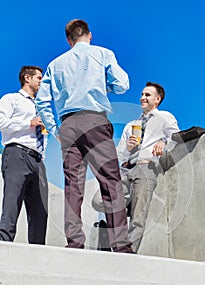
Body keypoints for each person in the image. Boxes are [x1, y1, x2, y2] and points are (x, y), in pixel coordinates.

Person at [35, 19, 133, 253]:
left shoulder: (55, 64)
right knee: (111, 181)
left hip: (68, 125)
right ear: (89, 35)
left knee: (73, 185)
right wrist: (103, 87)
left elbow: (41, 100)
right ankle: (120, 244)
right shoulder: (103, 53)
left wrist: (55, 128)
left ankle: (75, 242)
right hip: (95, 120)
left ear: (69, 40)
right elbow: (123, 85)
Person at [92, 82, 180, 253]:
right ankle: (116, 221)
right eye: (142, 94)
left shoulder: (165, 117)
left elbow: (176, 138)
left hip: (146, 168)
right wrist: (128, 148)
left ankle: (127, 252)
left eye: (147, 95)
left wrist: (164, 142)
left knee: (138, 215)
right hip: (125, 169)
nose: (142, 98)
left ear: (157, 99)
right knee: (99, 201)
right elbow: (120, 154)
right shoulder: (131, 124)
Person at [0, 66, 48, 244]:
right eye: (39, 78)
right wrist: (29, 122)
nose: (41, 82)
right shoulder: (11, 99)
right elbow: (1, 122)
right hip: (16, 154)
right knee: (12, 202)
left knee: (40, 210)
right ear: (27, 78)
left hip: (37, 160)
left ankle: (38, 250)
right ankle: (4, 245)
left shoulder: (40, 106)